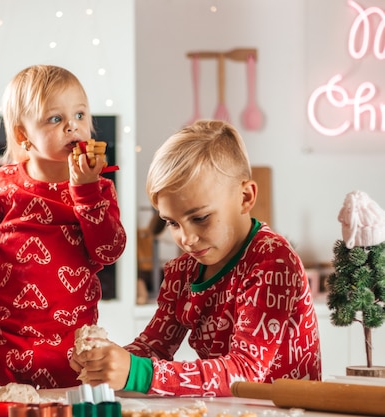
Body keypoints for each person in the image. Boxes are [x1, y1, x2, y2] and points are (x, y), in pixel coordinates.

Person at [70, 120, 321, 396]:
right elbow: (154, 346)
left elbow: (246, 370)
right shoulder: (184, 272)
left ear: (245, 197)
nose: (186, 239)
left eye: (200, 218)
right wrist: (105, 362)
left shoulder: (272, 261)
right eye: (173, 223)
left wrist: (136, 373)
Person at [0, 64, 127, 388]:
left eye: (79, 115)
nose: (72, 127)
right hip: (11, 346)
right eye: (55, 119)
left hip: (74, 350)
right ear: (23, 136)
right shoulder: (5, 183)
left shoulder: (99, 189)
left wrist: (86, 192)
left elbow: (108, 250)